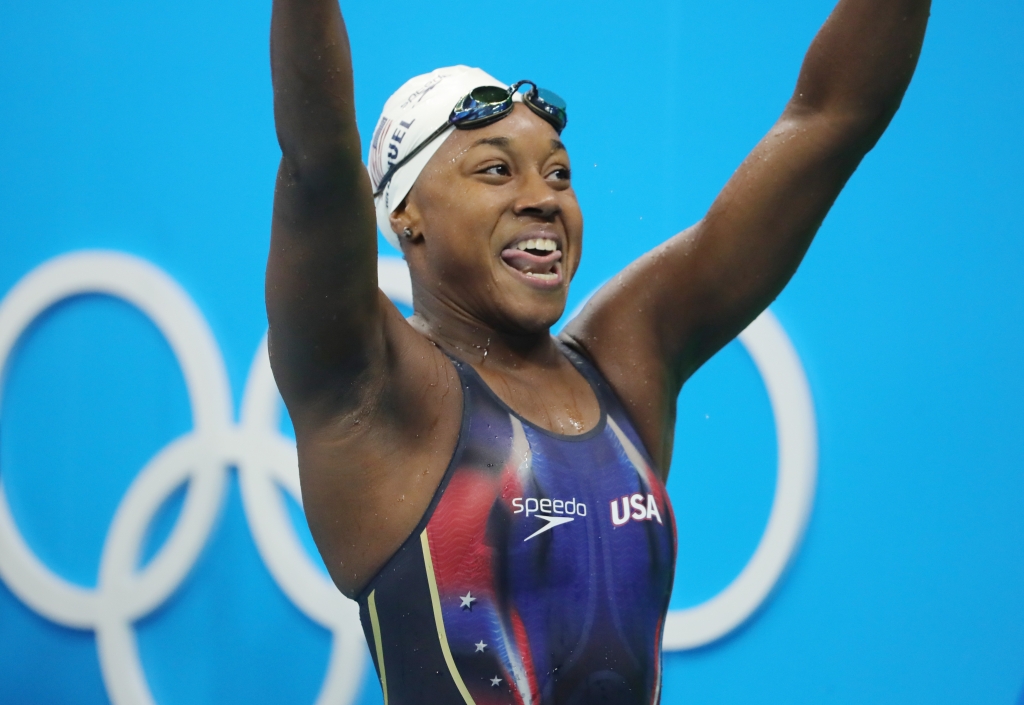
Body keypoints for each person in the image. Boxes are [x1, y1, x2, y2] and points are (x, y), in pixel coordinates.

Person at [266, 0, 929, 702]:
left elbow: (830, 119)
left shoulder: (624, 359)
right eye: (496, 171)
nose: (543, 199)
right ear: (406, 214)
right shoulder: (375, 391)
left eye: (558, 174)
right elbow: (317, 162)